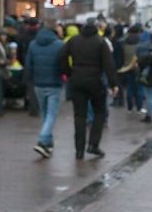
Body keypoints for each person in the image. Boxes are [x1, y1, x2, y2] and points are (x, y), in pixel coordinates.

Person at [59, 18, 119, 159]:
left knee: (79, 115)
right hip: (95, 81)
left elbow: (61, 56)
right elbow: (109, 64)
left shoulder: (74, 41)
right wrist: (113, 84)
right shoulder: (100, 42)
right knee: (99, 113)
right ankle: (93, 145)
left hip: (77, 80)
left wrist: (69, 72)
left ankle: (79, 150)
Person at [23, 22, 64, 158]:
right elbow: (62, 65)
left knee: (45, 114)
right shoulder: (59, 45)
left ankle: (48, 144)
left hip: (38, 83)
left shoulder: (33, 44)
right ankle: (42, 141)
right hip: (54, 84)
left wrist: (29, 80)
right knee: (51, 115)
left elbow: (28, 64)